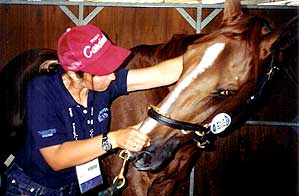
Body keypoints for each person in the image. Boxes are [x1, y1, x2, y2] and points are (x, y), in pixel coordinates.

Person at [4, 24, 183, 196]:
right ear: (75, 73)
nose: (113, 75)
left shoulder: (104, 83)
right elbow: (56, 158)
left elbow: (161, 74)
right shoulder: (43, 90)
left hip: (74, 187)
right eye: (103, 70)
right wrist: (115, 138)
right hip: (33, 188)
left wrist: (206, 53)